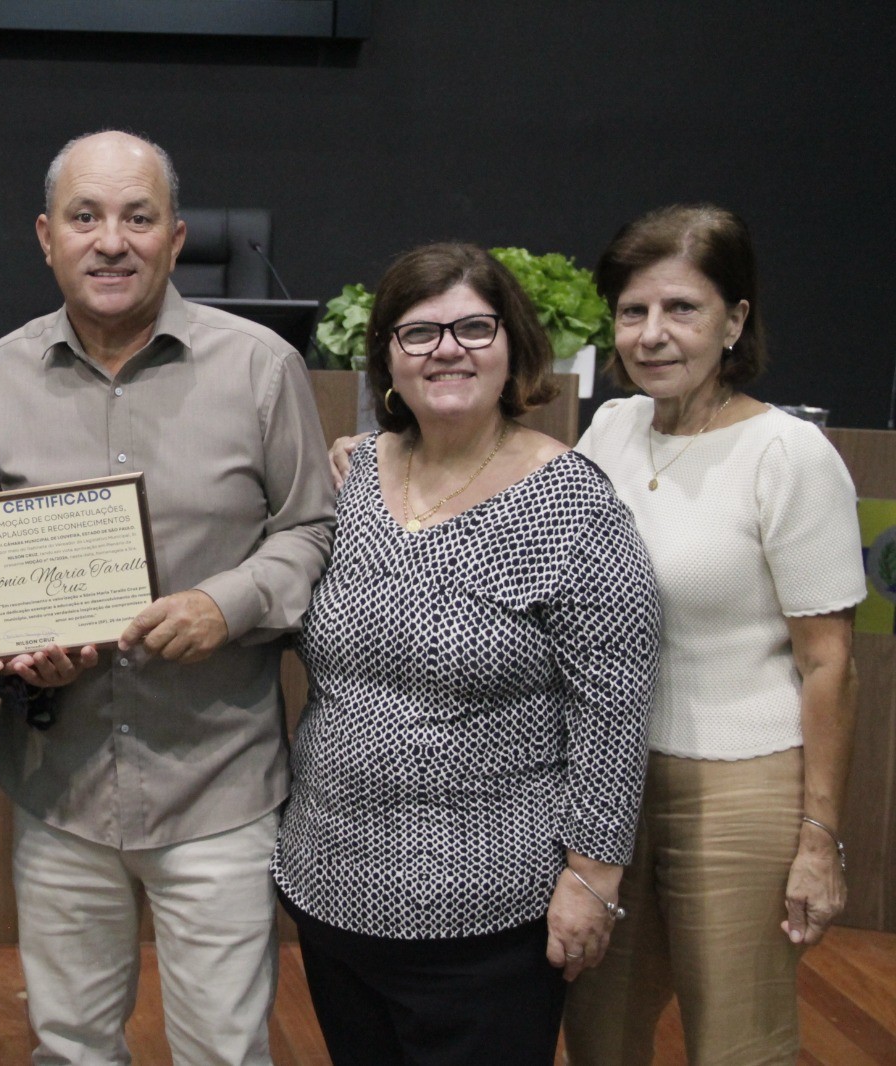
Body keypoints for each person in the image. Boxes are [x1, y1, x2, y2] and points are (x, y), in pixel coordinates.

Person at [0, 129, 335, 1065]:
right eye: (85, 217)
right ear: (45, 237)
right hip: (61, 789)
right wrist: (13, 656)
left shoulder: (260, 368)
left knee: (223, 1052)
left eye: (138, 217)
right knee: (71, 1049)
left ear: (176, 237)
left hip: (217, 783)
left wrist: (231, 602)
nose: (111, 240)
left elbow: (311, 528)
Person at [275, 242, 662, 1065]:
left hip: (493, 917)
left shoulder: (574, 508)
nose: (447, 349)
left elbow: (615, 715)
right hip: (332, 887)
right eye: (419, 333)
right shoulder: (349, 479)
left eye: (475, 328)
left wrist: (592, 880)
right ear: (386, 357)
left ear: (515, 347)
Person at [562, 205, 864, 1065]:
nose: (652, 335)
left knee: (739, 1041)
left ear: (734, 320)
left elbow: (829, 662)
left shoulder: (787, 453)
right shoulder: (611, 429)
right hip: (609, 785)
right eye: (632, 311)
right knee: (597, 1033)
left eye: (682, 309)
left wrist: (820, 841)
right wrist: (386, 446)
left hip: (742, 788)